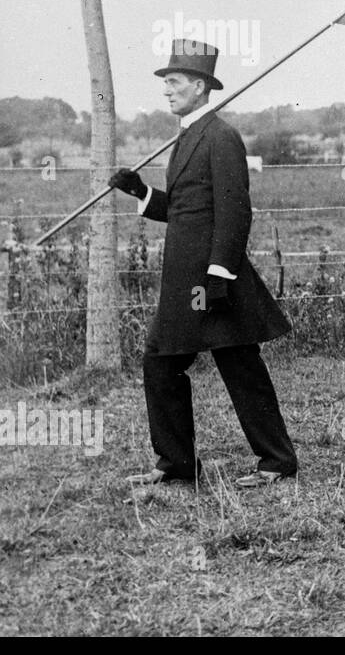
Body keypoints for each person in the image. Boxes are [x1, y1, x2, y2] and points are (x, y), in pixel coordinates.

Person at [109, 41, 296, 488]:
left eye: (173, 83)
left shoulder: (220, 136)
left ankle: (277, 461)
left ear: (199, 86)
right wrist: (142, 193)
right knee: (160, 361)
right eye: (165, 84)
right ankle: (175, 463)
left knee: (239, 365)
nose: (167, 91)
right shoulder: (189, 135)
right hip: (183, 279)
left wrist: (220, 275)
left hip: (212, 278)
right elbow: (188, 208)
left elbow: (234, 210)